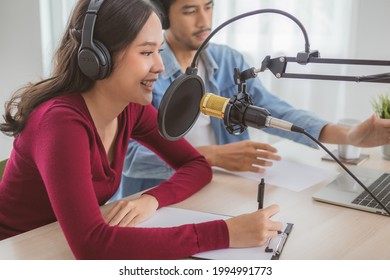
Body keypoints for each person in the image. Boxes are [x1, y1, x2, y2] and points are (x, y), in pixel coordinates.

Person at [0, 0, 283, 259]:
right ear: (98, 58)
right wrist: (225, 233)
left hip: (59, 245)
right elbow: (92, 246)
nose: (159, 67)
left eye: (159, 51)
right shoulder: (61, 124)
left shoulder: (129, 108)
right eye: (146, 52)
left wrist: (152, 199)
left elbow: (196, 165)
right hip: (20, 254)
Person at [115, 0, 390, 199]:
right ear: (164, 17)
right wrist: (212, 157)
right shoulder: (148, 70)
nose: (204, 21)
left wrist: (349, 136)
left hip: (222, 190)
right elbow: (129, 157)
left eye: (208, 7)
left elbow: (276, 112)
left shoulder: (229, 60)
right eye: (190, 11)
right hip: (156, 199)